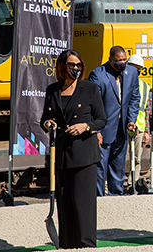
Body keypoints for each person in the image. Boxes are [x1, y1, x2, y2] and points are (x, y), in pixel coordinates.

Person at [40, 50, 106, 248]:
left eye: (78, 65)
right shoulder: (52, 90)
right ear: (62, 66)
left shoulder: (90, 88)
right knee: (64, 201)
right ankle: (67, 244)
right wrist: (47, 124)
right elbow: (44, 118)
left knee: (83, 202)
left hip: (84, 153)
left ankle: (86, 244)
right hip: (61, 154)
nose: (76, 68)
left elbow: (102, 119)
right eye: (71, 65)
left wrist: (86, 126)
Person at [88, 46, 140, 196]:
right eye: (118, 61)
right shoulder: (98, 75)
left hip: (122, 128)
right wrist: (96, 130)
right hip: (103, 129)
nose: (122, 63)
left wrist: (131, 120)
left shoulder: (131, 73)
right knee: (100, 166)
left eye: (124, 60)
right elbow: (93, 105)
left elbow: (134, 98)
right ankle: (98, 197)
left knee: (118, 166)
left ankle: (116, 197)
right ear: (110, 59)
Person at [127, 54, 152, 184]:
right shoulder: (119, 82)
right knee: (118, 157)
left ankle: (133, 183)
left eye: (138, 69)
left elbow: (147, 110)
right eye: (133, 67)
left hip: (139, 128)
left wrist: (146, 131)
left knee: (136, 158)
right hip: (122, 126)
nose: (136, 71)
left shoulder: (144, 86)